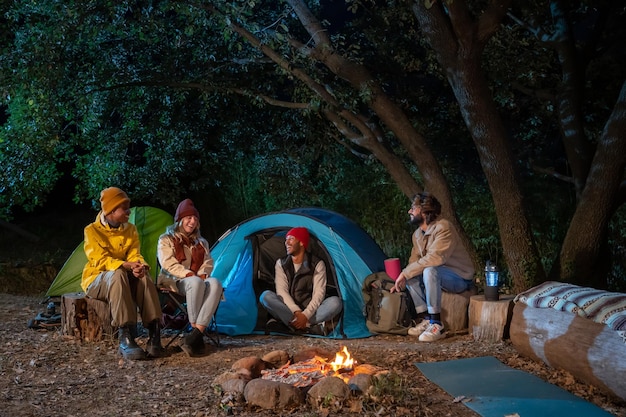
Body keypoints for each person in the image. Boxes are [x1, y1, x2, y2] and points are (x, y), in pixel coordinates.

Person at [81, 187, 164, 360]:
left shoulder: (130, 229)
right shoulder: (92, 230)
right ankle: (125, 335)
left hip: (123, 277)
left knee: (143, 277)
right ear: (111, 210)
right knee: (117, 274)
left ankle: (154, 332)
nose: (128, 211)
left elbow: (134, 253)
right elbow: (99, 260)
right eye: (124, 208)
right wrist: (125, 265)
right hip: (96, 279)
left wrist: (138, 265)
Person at [391, 193, 475, 342]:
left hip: (459, 277)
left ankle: (437, 324)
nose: (409, 212)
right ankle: (427, 319)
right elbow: (414, 261)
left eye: (413, 208)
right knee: (411, 273)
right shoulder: (417, 234)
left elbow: (435, 258)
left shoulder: (444, 227)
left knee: (429, 270)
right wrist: (404, 276)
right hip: (437, 274)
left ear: (424, 211)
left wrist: (405, 273)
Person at [157, 199, 222, 357]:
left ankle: (194, 335)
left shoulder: (201, 242)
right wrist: (188, 274)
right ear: (179, 219)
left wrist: (203, 273)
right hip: (174, 281)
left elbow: (207, 262)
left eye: (195, 219)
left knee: (215, 283)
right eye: (188, 218)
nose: (192, 222)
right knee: (195, 281)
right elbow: (167, 264)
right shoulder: (166, 239)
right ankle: (196, 337)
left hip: (196, 281)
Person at [259, 227, 342, 336]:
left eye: (291, 239)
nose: (286, 242)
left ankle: (293, 325)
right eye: (286, 239)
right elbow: (281, 291)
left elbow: (319, 293)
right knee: (265, 296)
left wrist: (305, 315)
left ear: (302, 243)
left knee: (336, 302)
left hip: (310, 310)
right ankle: (306, 326)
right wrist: (297, 312)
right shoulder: (281, 263)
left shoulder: (317, 264)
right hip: (288, 310)